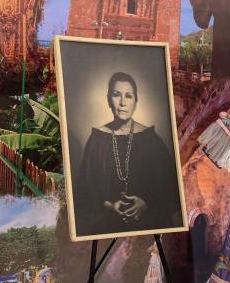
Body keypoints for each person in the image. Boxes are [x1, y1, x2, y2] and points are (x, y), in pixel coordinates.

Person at [75, 71, 183, 237]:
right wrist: (110, 206)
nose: (123, 103)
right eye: (116, 95)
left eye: (129, 96)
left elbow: (171, 188)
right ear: (108, 100)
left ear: (136, 101)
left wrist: (146, 203)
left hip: (150, 225)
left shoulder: (150, 139)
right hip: (109, 226)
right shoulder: (97, 139)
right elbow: (85, 192)